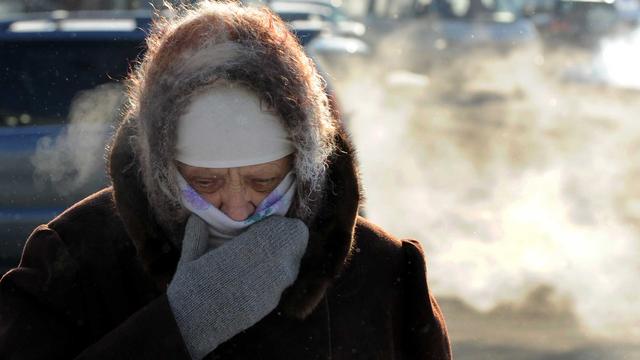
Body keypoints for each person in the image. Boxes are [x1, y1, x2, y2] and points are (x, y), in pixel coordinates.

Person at [0, 1, 451, 359]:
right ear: (163, 167)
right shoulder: (77, 259)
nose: (235, 208)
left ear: (303, 162)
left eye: (262, 180)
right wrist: (180, 325)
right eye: (206, 181)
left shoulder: (381, 271)